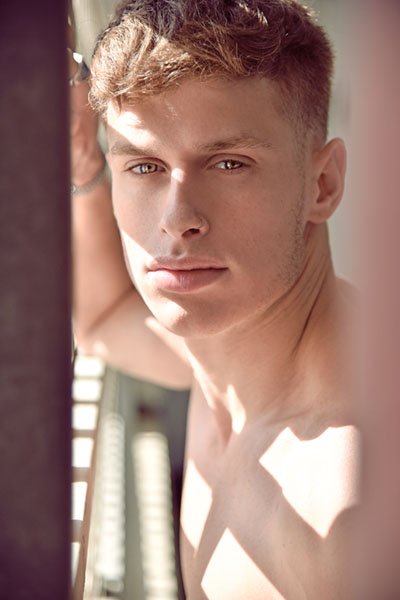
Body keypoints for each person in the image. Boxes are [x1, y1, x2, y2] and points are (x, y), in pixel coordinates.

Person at [70, 1, 360, 597]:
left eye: (229, 163)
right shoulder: (230, 362)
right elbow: (101, 321)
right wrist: (81, 161)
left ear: (323, 184)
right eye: (145, 166)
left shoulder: (350, 500)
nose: (177, 220)